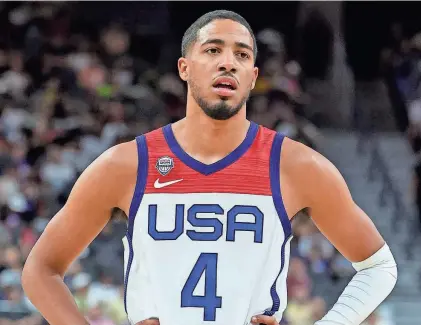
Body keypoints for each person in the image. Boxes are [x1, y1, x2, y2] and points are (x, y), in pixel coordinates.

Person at [21, 10, 397, 325]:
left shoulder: (296, 165)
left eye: (242, 55)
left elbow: (379, 267)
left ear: (252, 76)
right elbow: (40, 271)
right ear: (184, 68)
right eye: (213, 49)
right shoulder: (126, 164)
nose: (228, 62)